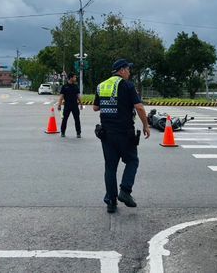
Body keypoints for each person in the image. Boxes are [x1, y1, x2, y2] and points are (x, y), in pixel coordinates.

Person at [93, 59, 150, 213]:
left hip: (106, 133)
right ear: (122, 70)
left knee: (110, 167)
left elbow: (95, 107)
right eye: (128, 70)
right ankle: (125, 190)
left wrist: (109, 103)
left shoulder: (102, 85)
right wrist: (146, 125)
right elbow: (139, 107)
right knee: (132, 160)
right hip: (124, 132)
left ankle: (111, 201)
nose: (129, 73)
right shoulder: (127, 86)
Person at [57, 72, 82, 138]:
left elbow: (78, 95)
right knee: (64, 119)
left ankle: (78, 133)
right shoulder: (64, 87)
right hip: (67, 105)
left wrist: (81, 103)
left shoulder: (76, 86)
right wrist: (59, 105)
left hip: (75, 106)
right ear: (71, 78)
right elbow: (61, 96)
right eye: (74, 77)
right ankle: (63, 132)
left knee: (77, 119)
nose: (75, 78)